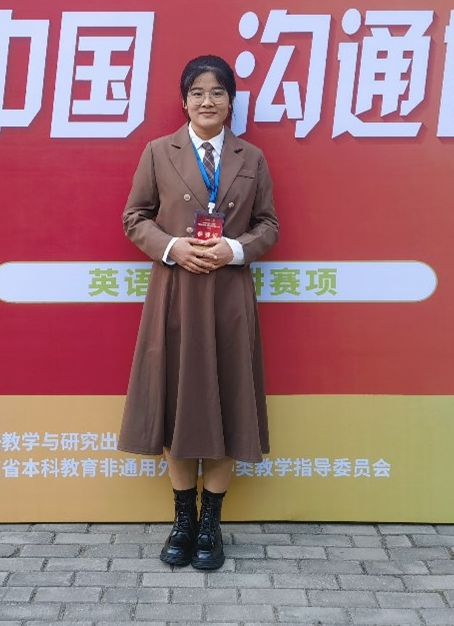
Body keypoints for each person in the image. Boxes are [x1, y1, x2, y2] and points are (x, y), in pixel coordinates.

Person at [118, 54, 279, 570]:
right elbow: (134, 216)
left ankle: (212, 524)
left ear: (231, 102)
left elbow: (269, 225)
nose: (207, 101)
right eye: (197, 93)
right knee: (177, 404)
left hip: (229, 297)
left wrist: (235, 249)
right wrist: (172, 247)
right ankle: (182, 520)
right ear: (184, 101)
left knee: (228, 403)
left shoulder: (251, 157)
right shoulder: (157, 152)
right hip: (176, 293)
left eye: (217, 93)